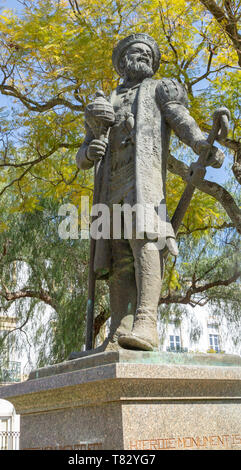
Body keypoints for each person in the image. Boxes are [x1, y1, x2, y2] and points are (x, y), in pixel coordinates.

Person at [76, 33, 224, 352]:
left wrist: (200, 143)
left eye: (148, 54)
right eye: (136, 52)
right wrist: (89, 152)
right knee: (116, 256)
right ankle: (118, 328)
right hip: (109, 187)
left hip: (143, 182)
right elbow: (83, 154)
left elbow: (182, 120)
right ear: (122, 61)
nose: (143, 56)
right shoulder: (107, 100)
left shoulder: (160, 88)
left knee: (145, 242)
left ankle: (147, 321)